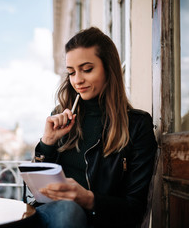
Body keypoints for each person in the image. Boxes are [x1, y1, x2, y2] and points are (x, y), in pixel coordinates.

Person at [31, 27, 158, 228]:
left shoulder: (136, 125)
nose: (77, 80)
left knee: (69, 210)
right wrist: (47, 143)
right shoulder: (61, 116)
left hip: (99, 221)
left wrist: (88, 199)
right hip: (51, 217)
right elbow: (34, 192)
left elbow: (135, 209)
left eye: (87, 69)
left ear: (109, 68)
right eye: (71, 73)